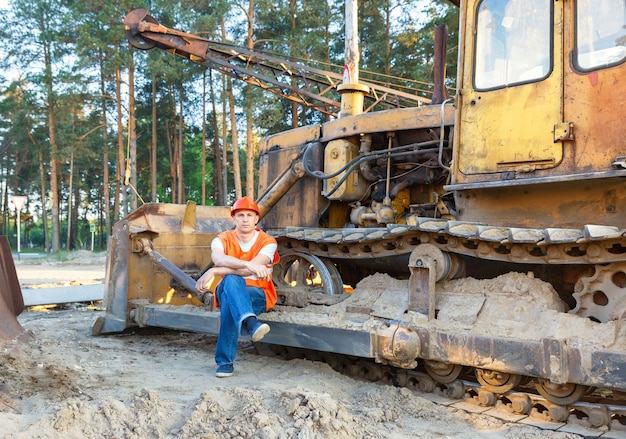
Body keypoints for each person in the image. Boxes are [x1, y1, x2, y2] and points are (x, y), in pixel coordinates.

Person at [195, 196, 280, 378]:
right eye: (240, 215)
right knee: (231, 281)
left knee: (229, 298)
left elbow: (250, 267)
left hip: (257, 294)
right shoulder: (221, 239)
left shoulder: (268, 242)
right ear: (233, 218)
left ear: (256, 218)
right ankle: (251, 322)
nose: (245, 219)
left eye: (249, 215)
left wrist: (214, 272)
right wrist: (249, 265)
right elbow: (218, 258)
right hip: (230, 287)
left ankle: (225, 363)